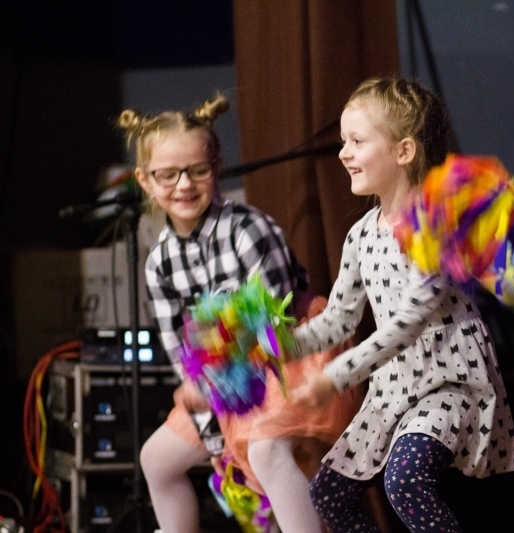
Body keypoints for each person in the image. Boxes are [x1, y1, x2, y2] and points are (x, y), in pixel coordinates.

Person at [287, 77, 514, 533]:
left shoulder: (435, 224)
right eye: (343, 142)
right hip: (393, 387)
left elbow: (408, 322)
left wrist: (336, 376)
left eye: (357, 141)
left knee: (407, 481)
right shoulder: (360, 234)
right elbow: (338, 319)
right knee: (329, 494)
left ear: (404, 151)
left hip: (447, 381)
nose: (344, 153)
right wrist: (280, 345)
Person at [118, 94, 360, 533]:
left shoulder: (248, 230)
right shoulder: (160, 263)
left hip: (286, 358)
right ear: (145, 181)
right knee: (156, 460)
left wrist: (220, 387)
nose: (184, 185)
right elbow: (182, 355)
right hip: (220, 381)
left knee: (265, 449)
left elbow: (271, 324)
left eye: (197, 170)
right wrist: (214, 433)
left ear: (217, 167)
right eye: (168, 175)